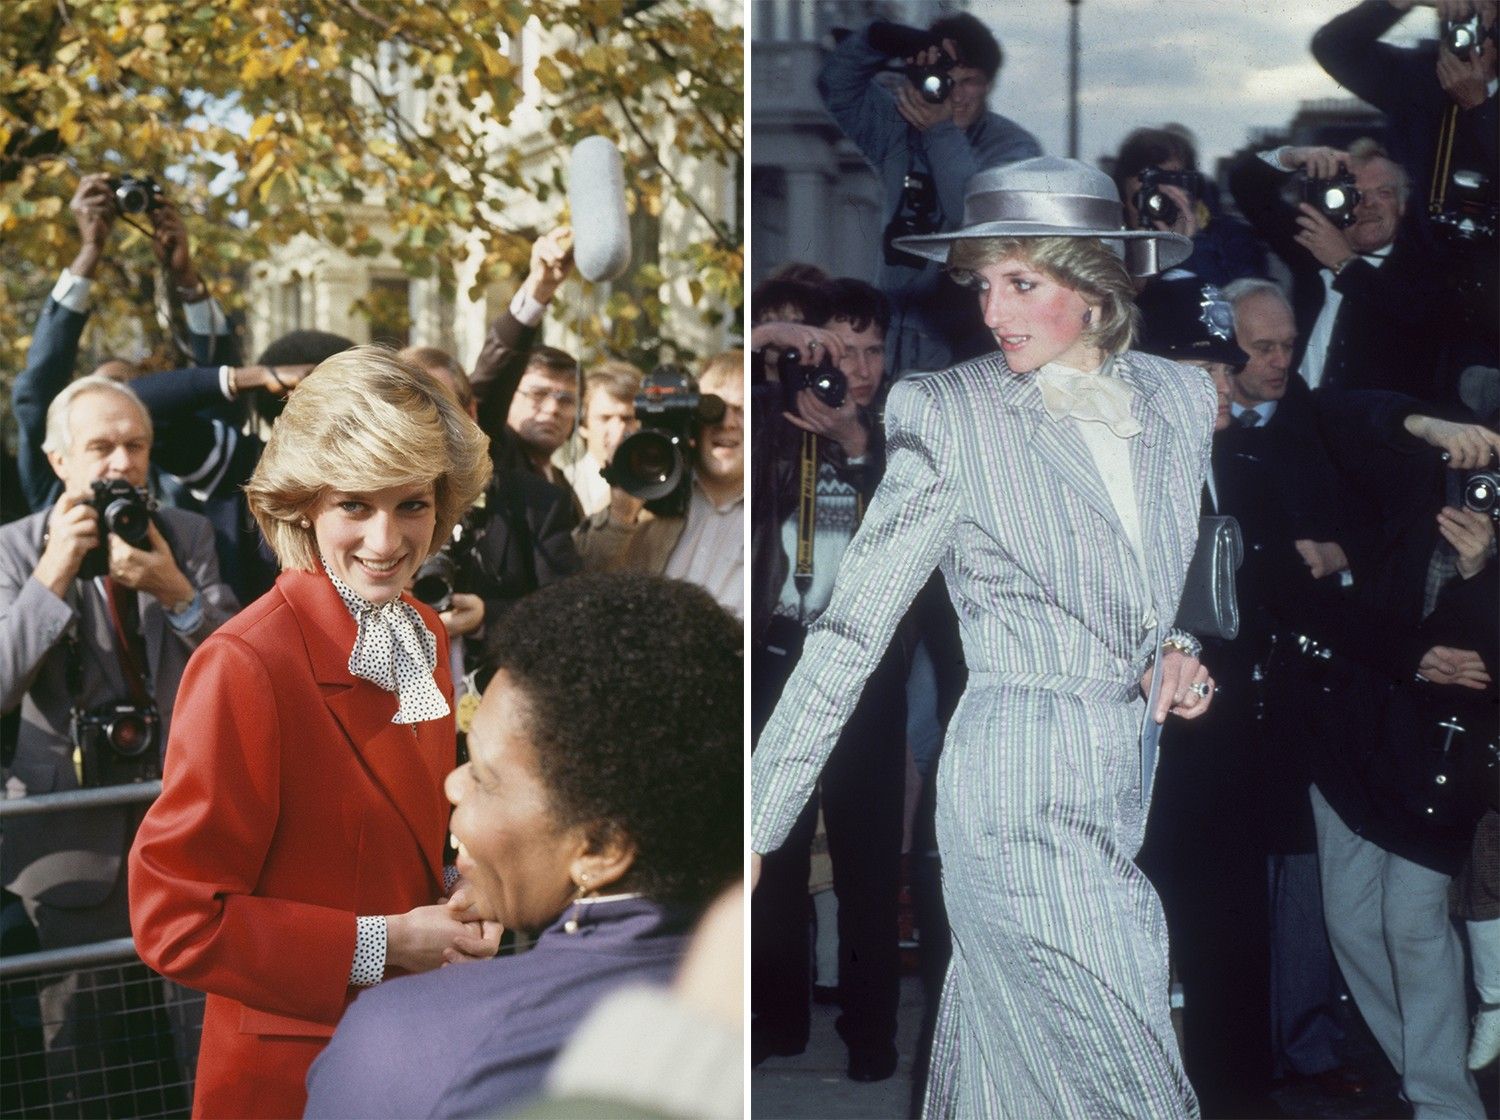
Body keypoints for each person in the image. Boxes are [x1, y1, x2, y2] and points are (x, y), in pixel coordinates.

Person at [752, 156, 1217, 1116]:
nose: (993, 311)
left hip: (1121, 778)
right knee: (1132, 1077)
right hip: (1009, 789)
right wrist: (759, 821)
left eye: (1022, 282)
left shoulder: (1177, 399)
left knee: (1014, 1075)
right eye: (983, 283)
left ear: (1094, 287)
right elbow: (850, 631)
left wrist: (1178, 647)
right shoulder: (947, 413)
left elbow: (1165, 571)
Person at [126, 348, 498, 1118]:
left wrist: (467, 891)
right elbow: (176, 920)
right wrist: (385, 943)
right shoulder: (246, 664)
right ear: (301, 507)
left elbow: (407, 842)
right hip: (294, 1076)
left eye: (413, 505)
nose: (387, 540)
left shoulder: (421, 629)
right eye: (354, 506)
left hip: (418, 1049)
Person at [302, 572, 742, 1119]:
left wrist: (386, 948)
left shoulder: (403, 1042)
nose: (453, 784)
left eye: (485, 777)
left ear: (600, 848)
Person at [1, 375, 237, 1113]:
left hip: (185, 838)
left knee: (202, 1049)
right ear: (58, 457)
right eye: (100, 446)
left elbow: (241, 672)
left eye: (135, 446)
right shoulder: (13, 548)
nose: (120, 464)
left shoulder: (187, 534)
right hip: (69, 846)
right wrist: (53, 574)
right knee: (87, 1066)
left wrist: (176, 592)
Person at [748, 279, 908, 1081]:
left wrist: (854, 444)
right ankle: (775, 1022)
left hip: (866, 668)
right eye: (841, 350)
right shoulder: (771, 425)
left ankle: (871, 1034)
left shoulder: (902, 432)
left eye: (874, 349)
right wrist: (761, 341)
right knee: (770, 853)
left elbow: (913, 539)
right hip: (783, 655)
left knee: (869, 864)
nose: (861, 367)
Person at [819, 13, 1041, 376]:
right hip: (893, 339)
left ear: (988, 85)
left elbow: (974, 217)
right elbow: (835, 84)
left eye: (969, 82)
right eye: (945, 79)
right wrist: (884, 36)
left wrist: (940, 132)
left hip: (967, 347)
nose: (954, 95)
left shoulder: (1013, 148)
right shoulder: (901, 129)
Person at [573, 352, 745, 618]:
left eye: (743, 411)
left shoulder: (775, 513)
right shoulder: (647, 489)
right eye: (714, 409)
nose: (727, 423)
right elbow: (581, 582)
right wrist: (620, 516)